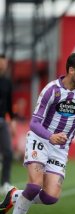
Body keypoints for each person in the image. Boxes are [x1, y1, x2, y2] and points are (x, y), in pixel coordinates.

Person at [0, 53, 75, 214]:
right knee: (34, 186)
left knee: (51, 197)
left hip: (61, 147)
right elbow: (34, 123)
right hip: (40, 139)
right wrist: (50, 136)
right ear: (71, 70)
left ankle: (14, 196)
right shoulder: (51, 90)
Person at [0, 54, 16, 195]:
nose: (3, 65)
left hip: (2, 121)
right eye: (1, 63)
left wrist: (12, 120)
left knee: (8, 152)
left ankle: (5, 182)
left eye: (5, 63)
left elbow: (9, 103)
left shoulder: (7, 82)